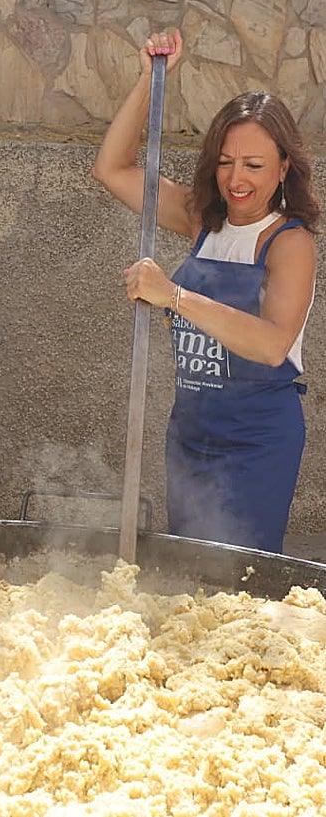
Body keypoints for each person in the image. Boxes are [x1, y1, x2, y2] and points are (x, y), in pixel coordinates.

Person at [92, 30, 320, 554]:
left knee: (240, 584)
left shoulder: (290, 243)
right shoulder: (203, 219)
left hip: (256, 442)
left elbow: (270, 345)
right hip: (192, 435)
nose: (236, 179)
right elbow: (112, 169)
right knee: (188, 575)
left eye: (254, 165)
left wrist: (173, 296)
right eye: (225, 161)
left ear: (285, 167)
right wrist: (152, 80)